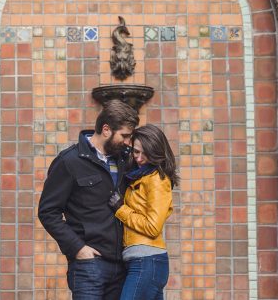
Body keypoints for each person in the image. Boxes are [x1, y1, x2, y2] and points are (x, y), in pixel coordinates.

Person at [38, 99, 139, 300]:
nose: (128, 142)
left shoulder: (126, 160)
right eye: (125, 136)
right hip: (89, 266)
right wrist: (78, 248)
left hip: (123, 265)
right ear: (107, 129)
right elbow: (48, 212)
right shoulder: (69, 161)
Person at [108, 124, 179, 300]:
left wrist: (121, 209)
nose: (139, 158)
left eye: (144, 153)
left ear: (155, 151)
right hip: (142, 261)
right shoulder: (141, 176)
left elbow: (153, 226)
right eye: (136, 152)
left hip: (147, 261)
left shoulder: (157, 179)